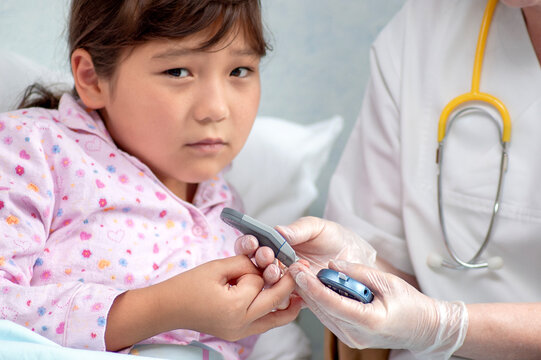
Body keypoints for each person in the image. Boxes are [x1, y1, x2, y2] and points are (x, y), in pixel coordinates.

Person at [236, 0, 541, 359]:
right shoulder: (425, 27)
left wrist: (444, 325)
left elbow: (426, 322)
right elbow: (394, 277)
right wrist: (356, 260)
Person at [0, 0, 302, 358]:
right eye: (177, 72)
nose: (216, 110)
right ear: (92, 77)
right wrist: (162, 308)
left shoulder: (226, 205)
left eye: (239, 71)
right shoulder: (31, 149)